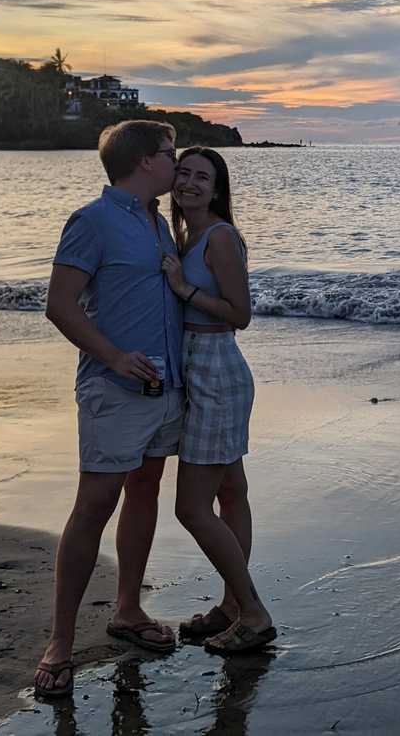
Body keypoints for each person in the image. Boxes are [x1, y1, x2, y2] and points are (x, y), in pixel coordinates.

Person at [34, 120, 184, 698]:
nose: (177, 164)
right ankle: (60, 645)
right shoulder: (91, 221)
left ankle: (127, 610)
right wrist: (115, 357)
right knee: (94, 504)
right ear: (146, 161)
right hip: (113, 388)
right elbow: (60, 305)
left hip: (164, 388)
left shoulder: (159, 223)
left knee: (145, 488)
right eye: (171, 155)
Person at [161, 146, 274, 653]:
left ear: (218, 189)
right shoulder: (186, 234)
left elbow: (240, 314)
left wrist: (183, 289)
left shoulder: (221, 237)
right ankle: (232, 606)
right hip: (199, 368)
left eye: (201, 177)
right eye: (182, 172)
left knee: (191, 507)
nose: (188, 183)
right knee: (231, 493)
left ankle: (253, 612)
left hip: (214, 368)